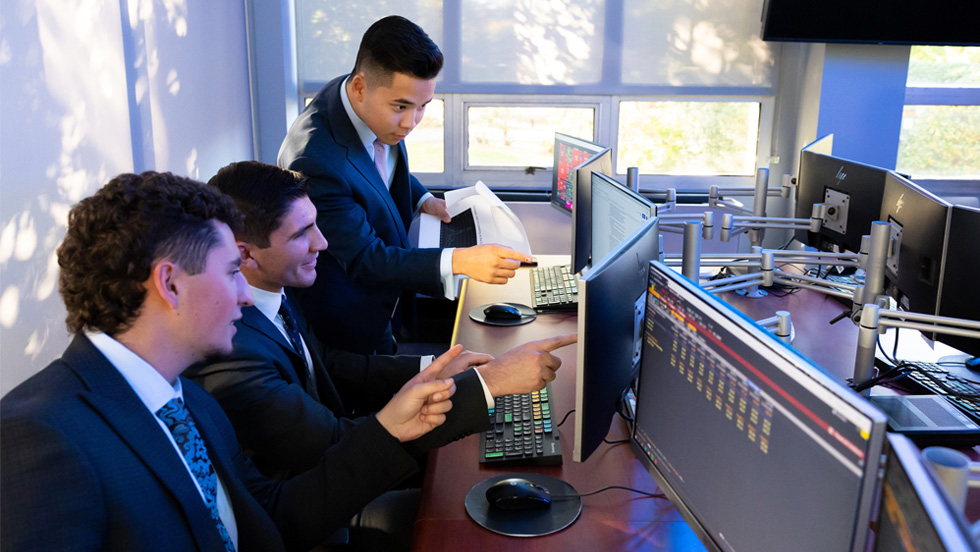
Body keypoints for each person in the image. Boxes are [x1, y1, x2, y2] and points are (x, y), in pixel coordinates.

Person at [0, 172, 461, 552]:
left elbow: (272, 517)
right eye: (230, 273)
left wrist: (394, 427)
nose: (245, 295)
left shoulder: (189, 400)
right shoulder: (39, 435)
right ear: (170, 284)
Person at [187, 161, 576, 483]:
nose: (322, 243)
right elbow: (333, 445)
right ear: (246, 255)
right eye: (301, 234)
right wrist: (487, 385)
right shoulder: (232, 352)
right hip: (323, 489)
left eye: (316, 225)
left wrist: (437, 366)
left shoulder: (273, 292)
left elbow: (330, 364)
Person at [278, 15, 530, 354]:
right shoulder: (316, 163)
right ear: (359, 87)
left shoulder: (365, 102)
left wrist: (421, 197)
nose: (411, 123)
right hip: (350, 320)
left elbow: (376, 168)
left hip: (387, 299)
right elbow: (366, 258)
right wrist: (459, 261)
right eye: (402, 107)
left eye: (423, 106)